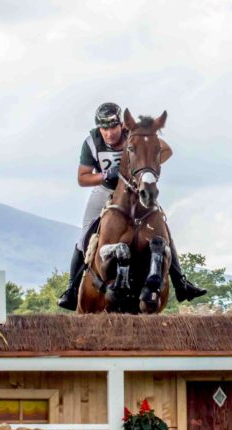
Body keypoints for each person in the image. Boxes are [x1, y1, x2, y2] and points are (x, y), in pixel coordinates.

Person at [57, 102, 207, 309]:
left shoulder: (135, 133)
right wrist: (103, 175)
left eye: (113, 127)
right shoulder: (92, 142)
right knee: (85, 236)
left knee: (164, 230)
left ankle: (181, 283)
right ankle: (72, 290)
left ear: (122, 125)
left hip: (135, 190)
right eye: (104, 128)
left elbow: (166, 150)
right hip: (106, 190)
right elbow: (82, 178)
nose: (109, 133)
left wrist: (147, 168)